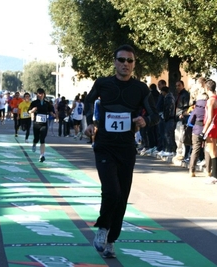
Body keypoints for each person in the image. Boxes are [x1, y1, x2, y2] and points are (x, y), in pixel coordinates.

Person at [84, 44, 159, 258]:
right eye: (121, 60)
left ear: (134, 64)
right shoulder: (103, 83)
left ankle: (111, 240)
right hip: (105, 145)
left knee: (122, 195)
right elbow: (89, 101)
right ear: (115, 62)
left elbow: (155, 114)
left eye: (130, 61)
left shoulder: (141, 88)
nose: (125, 64)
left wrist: (145, 120)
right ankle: (102, 229)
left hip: (127, 148)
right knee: (111, 191)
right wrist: (90, 123)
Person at [202, 79, 217, 184]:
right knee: (214, 151)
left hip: (211, 127)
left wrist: (203, 131)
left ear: (207, 88)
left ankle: (215, 176)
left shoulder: (211, 100)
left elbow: (209, 118)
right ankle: (215, 175)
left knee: (212, 152)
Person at [28, 88, 54, 162]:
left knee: (42, 139)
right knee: (36, 138)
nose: (40, 95)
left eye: (42, 93)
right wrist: (32, 111)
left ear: (44, 94)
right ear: (37, 94)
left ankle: (42, 155)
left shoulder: (47, 103)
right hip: (36, 123)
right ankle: (34, 144)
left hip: (44, 124)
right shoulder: (34, 103)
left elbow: (51, 110)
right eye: (39, 93)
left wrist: (53, 113)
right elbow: (29, 111)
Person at [188, 93, 208, 177]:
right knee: (207, 150)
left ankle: (192, 170)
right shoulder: (209, 106)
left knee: (195, 149)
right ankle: (208, 170)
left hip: (197, 129)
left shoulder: (196, 107)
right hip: (207, 129)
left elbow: (191, 120)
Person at [174, 80, 190, 160]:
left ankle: (183, 153)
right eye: (176, 85)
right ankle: (179, 152)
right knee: (177, 136)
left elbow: (186, 106)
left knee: (181, 136)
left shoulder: (185, 94)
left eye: (179, 85)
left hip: (182, 117)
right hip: (177, 117)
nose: (177, 87)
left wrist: (182, 114)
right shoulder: (178, 95)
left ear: (183, 85)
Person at [160, 86, 175, 157]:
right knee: (167, 134)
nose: (161, 93)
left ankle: (170, 150)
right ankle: (167, 149)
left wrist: (166, 117)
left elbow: (168, 109)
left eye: (162, 91)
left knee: (168, 134)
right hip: (169, 118)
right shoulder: (169, 97)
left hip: (169, 118)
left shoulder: (168, 98)